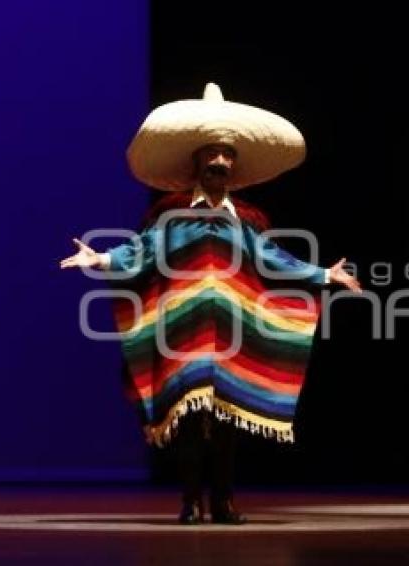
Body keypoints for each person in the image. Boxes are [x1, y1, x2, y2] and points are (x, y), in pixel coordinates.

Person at [61, 83, 360, 524]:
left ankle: (222, 501)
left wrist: (322, 274)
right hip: (184, 329)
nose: (220, 161)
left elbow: (272, 260)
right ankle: (188, 501)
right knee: (186, 419)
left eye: (227, 155)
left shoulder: (247, 220)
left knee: (224, 423)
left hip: (232, 331)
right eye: (212, 154)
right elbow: (142, 251)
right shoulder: (172, 213)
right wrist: (101, 258)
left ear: (233, 165)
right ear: (197, 161)